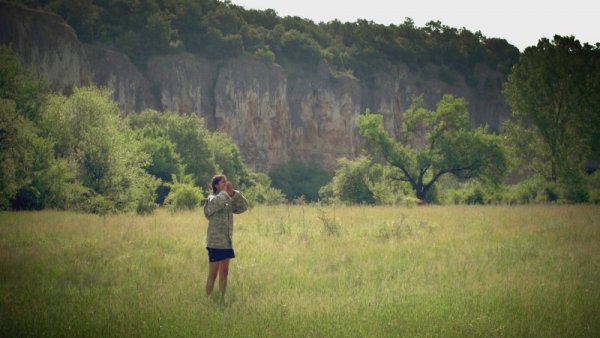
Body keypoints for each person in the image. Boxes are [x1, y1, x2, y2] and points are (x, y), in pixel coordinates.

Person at [203, 174, 248, 298]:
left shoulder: (227, 199)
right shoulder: (212, 198)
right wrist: (224, 193)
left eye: (226, 182)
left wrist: (233, 193)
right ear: (216, 185)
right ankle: (208, 298)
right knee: (213, 274)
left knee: (225, 272)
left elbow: (243, 207)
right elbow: (211, 209)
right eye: (223, 182)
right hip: (215, 243)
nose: (225, 184)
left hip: (227, 242)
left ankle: (222, 297)